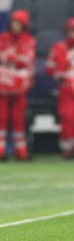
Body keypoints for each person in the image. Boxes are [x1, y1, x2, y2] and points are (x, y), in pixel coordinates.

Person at [0, 10, 36, 161]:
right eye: (13, 22)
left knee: (18, 118)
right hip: (2, 83)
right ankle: (0, 149)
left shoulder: (28, 40)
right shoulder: (2, 38)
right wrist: (10, 58)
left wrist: (11, 58)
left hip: (19, 83)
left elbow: (25, 60)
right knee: (1, 116)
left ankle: (21, 151)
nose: (15, 26)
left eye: (18, 23)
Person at [46, 18, 74, 159]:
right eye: (71, 30)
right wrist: (60, 75)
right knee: (68, 118)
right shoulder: (58, 48)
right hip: (66, 89)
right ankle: (67, 149)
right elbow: (50, 68)